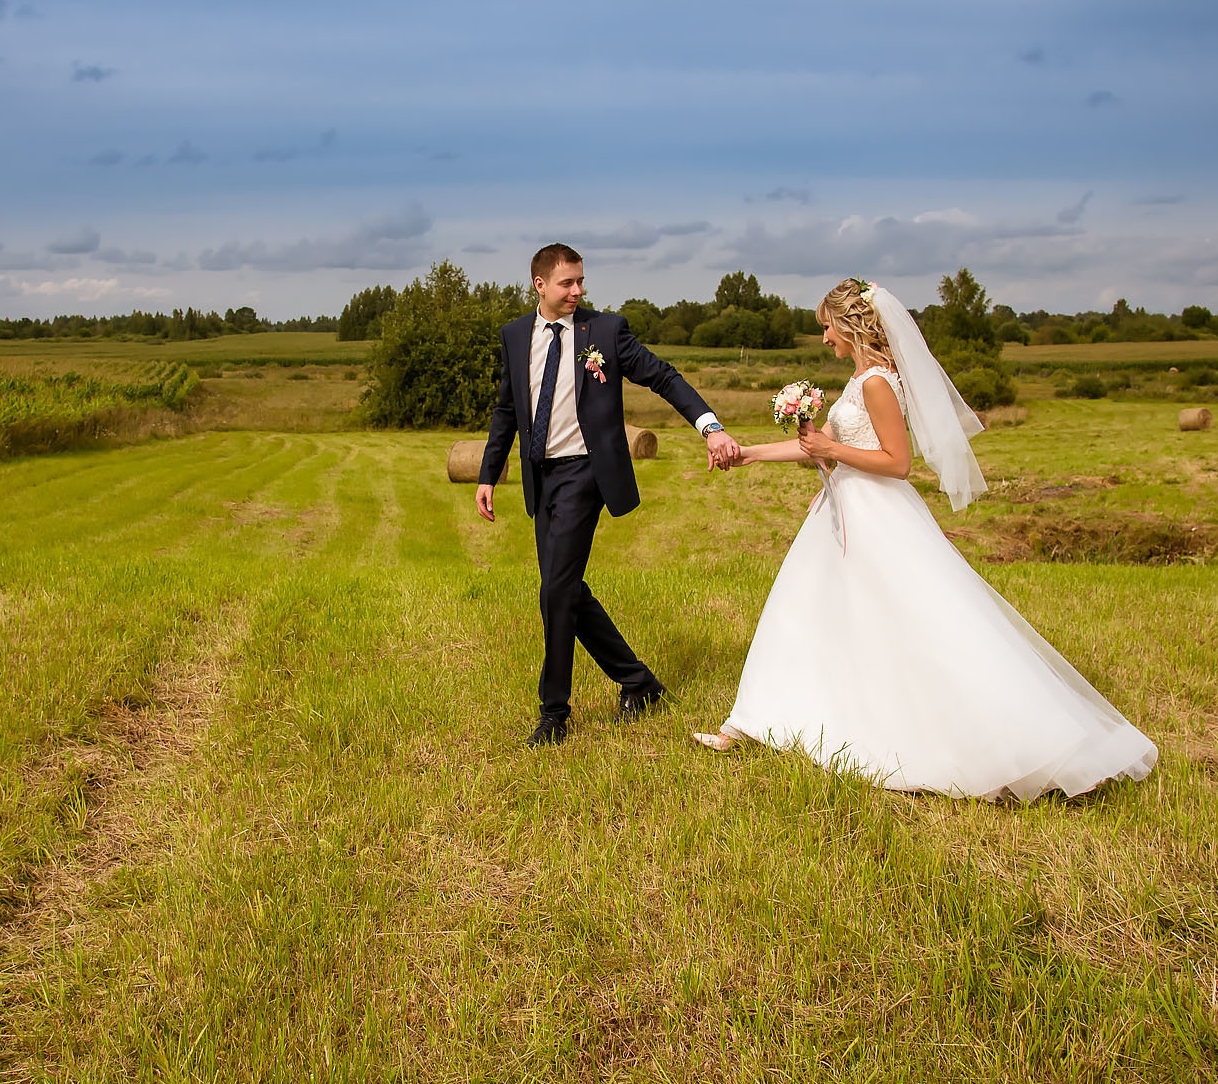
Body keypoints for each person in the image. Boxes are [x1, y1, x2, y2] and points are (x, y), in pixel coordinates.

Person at [700, 278, 1158, 801]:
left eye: (827, 327)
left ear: (850, 325)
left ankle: (977, 739)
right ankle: (758, 720)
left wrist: (832, 450)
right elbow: (820, 448)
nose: (824, 337)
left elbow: (897, 462)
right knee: (806, 612)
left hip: (876, 514)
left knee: (909, 624)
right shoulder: (860, 379)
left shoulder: (877, 382)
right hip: (843, 509)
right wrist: (748, 454)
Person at [477, 243, 740, 744]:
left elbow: (662, 376)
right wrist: (489, 473)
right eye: (567, 283)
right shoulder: (514, 335)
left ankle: (554, 713)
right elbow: (507, 409)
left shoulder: (605, 331)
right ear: (540, 285)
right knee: (566, 590)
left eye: (581, 281)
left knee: (555, 590)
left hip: (585, 473)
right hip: (539, 476)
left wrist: (710, 426)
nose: (577, 290)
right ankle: (639, 683)